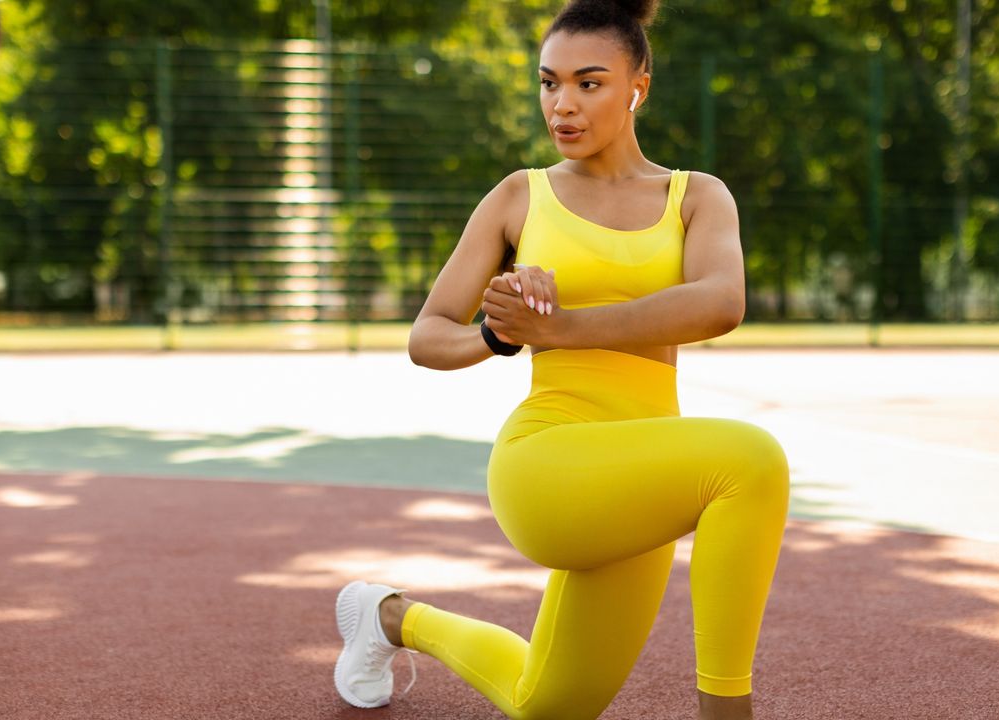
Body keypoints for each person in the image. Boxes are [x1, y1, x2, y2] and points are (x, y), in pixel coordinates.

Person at [332, 1, 790, 718]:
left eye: (588, 83)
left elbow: (720, 302)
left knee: (550, 705)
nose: (562, 105)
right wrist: (499, 334)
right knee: (751, 461)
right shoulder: (521, 195)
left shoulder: (696, 197)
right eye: (549, 84)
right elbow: (428, 336)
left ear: (638, 84)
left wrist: (565, 326)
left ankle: (388, 617)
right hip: (548, 461)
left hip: (641, 477)